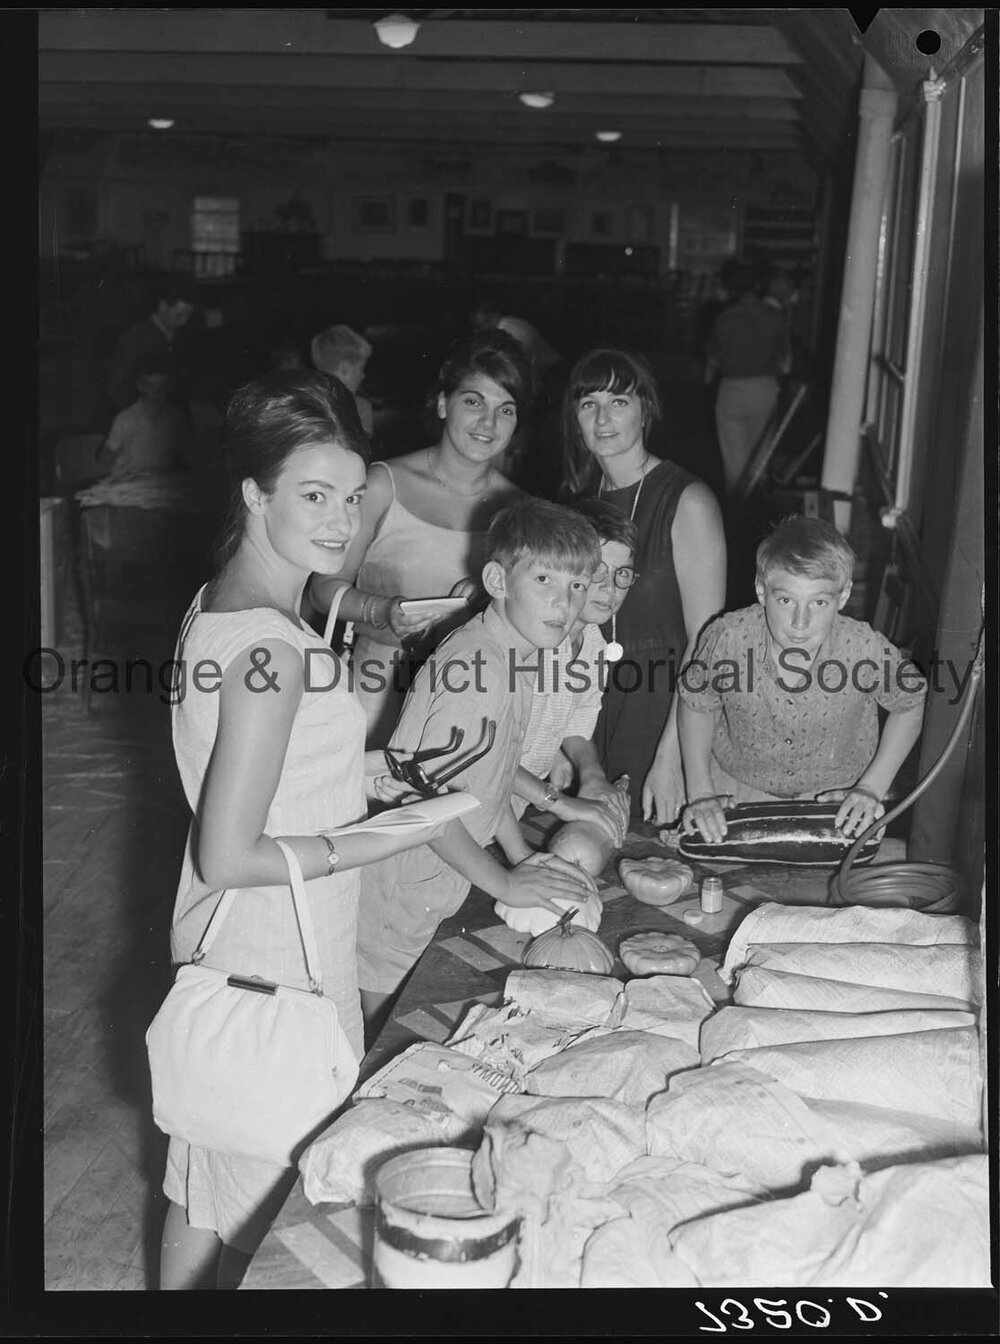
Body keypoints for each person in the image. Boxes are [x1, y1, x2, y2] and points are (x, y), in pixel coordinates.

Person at [158, 370, 459, 1289]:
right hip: (278, 950)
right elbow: (230, 850)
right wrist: (380, 837)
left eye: (352, 496)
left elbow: (269, 762)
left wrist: (374, 628)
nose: (340, 519)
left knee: (203, 1186)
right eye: (313, 496)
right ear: (254, 494)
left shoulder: (225, 604)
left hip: (226, 942)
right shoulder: (269, 652)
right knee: (279, 1224)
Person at [356, 500, 604, 1043]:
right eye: (545, 580)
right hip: (405, 879)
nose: (566, 603)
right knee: (385, 1037)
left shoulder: (513, 651)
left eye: (580, 585)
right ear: (497, 579)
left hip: (443, 868)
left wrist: (520, 853)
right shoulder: (480, 669)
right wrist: (506, 883)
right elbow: (424, 809)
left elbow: (493, 770)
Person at [306, 330, 530, 747]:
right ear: (444, 403)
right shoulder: (381, 485)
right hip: (374, 695)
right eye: (473, 401)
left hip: (469, 701)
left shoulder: (520, 511)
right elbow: (323, 590)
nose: (488, 423)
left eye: (506, 409)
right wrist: (381, 610)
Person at [677, 515, 927, 843]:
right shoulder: (727, 638)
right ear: (761, 590)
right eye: (786, 600)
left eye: (819, 603)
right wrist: (700, 794)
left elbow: (910, 703)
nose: (800, 622)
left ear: (844, 595)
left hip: (837, 805)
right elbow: (696, 704)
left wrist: (870, 788)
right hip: (733, 797)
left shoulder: (863, 648)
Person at [561, 347, 727, 827]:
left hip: (664, 709)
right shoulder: (574, 507)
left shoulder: (686, 500)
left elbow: (706, 644)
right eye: (589, 403)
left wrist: (671, 757)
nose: (603, 417)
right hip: (588, 706)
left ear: (645, 409)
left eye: (619, 401)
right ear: (575, 419)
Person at [498, 497, 639, 860]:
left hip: (507, 813)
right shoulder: (527, 643)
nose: (610, 589)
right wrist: (562, 805)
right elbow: (489, 759)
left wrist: (592, 776)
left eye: (622, 574)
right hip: (465, 812)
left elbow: (577, 723)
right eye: (598, 572)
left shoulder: (593, 642)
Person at [704, 261, 792, 498]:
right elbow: (785, 362)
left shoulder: (724, 319)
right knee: (762, 453)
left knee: (734, 457)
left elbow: (713, 360)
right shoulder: (776, 317)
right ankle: (758, 506)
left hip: (732, 388)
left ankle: (737, 507)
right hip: (764, 388)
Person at [108, 277, 197, 414]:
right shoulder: (136, 340)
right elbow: (119, 390)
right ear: (162, 307)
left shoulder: (178, 336)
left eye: (188, 316)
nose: (184, 322)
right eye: (179, 315)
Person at [98, 359, 193, 477]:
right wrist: (117, 458)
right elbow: (105, 454)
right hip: (130, 480)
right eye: (151, 386)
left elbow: (188, 450)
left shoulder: (175, 415)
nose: (157, 392)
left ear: (170, 386)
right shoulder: (126, 418)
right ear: (140, 386)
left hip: (162, 481)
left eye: (163, 386)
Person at [310, 324, 375, 435]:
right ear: (345, 369)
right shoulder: (360, 407)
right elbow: (362, 451)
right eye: (361, 369)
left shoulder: (305, 401)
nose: (363, 375)